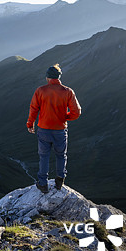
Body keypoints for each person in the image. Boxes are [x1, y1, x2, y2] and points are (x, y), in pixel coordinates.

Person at [26, 64, 81, 193]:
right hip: (60, 129)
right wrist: (65, 117)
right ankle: (60, 180)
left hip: (44, 129)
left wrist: (30, 124)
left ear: (47, 77)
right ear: (59, 77)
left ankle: (43, 184)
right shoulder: (67, 91)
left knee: (44, 156)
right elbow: (77, 111)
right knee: (61, 155)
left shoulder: (40, 91)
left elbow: (34, 109)